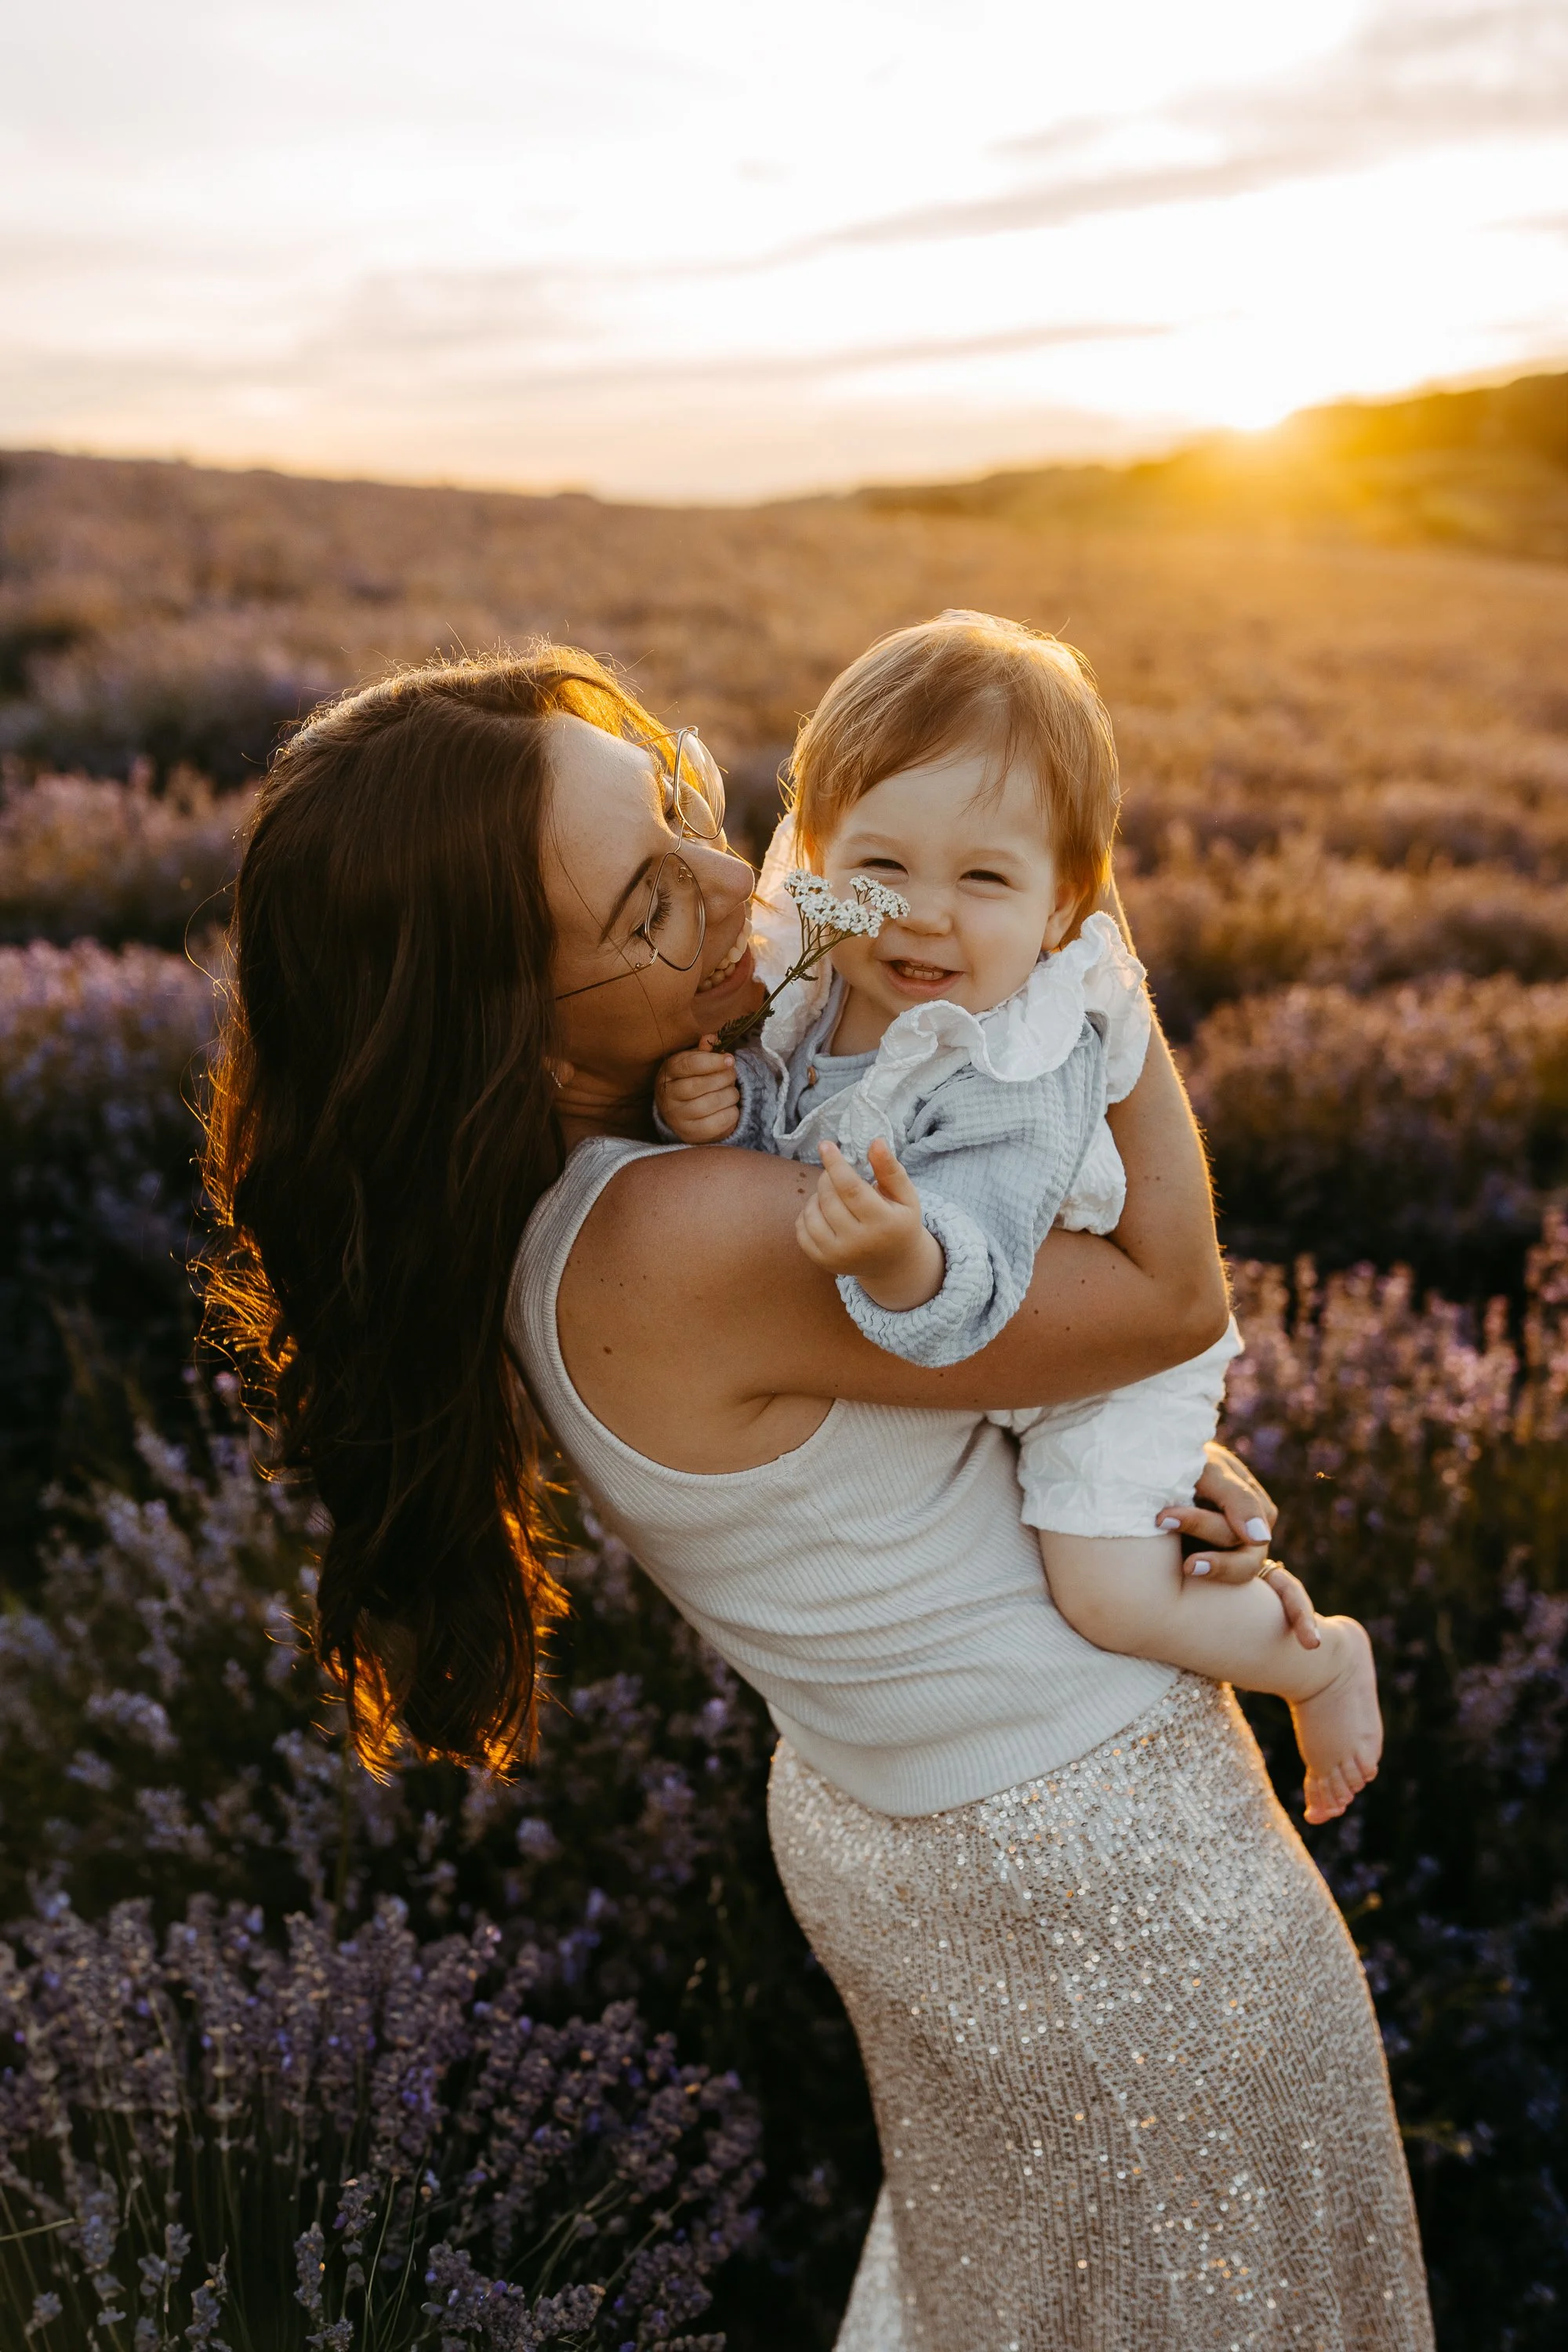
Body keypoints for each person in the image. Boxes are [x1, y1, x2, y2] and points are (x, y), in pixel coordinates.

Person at [201, 647, 1432, 2350]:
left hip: (935, 1840)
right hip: (1093, 1866)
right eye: (647, 904)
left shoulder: (601, 1194)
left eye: (683, 809)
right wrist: (1094, 970)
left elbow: (915, 1407)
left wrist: (1101, 1457)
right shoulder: (684, 1237)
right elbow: (1169, 1301)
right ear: (506, 1019)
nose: (734, 887)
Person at [652, 612, 1382, 1827]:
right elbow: (783, 1115)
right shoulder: (814, 982)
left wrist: (904, 1255)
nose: (922, 914)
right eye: (881, 867)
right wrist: (716, 1106)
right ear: (816, 861)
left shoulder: (1024, 1058)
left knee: (1109, 1591)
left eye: (984, 879)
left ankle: (1318, 1662)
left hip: (1093, 1365)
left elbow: (984, 1248)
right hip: (997, 1349)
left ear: (1063, 911)